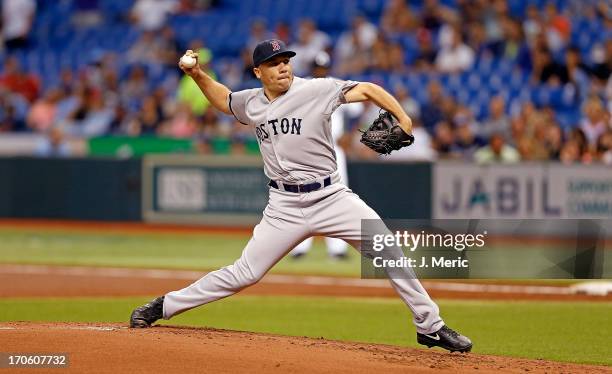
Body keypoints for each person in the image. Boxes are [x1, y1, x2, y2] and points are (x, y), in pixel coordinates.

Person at [129, 39, 472, 353]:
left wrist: (403, 117)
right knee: (244, 273)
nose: (283, 67)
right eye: (274, 62)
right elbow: (225, 101)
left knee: (388, 251)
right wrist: (197, 73)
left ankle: (430, 326)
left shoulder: (317, 90)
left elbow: (367, 89)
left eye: (286, 60)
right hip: (284, 206)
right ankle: (164, 306)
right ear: (258, 71)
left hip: (331, 197)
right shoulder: (251, 101)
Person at [289, 52, 363, 260]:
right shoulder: (301, 87)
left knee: (337, 196)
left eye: (323, 68)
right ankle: (299, 247)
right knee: (304, 196)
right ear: (313, 68)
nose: (320, 71)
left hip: (333, 148)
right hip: (309, 149)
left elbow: (355, 111)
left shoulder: (336, 84)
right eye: (317, 67)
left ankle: (337, 248)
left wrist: (349, 133)